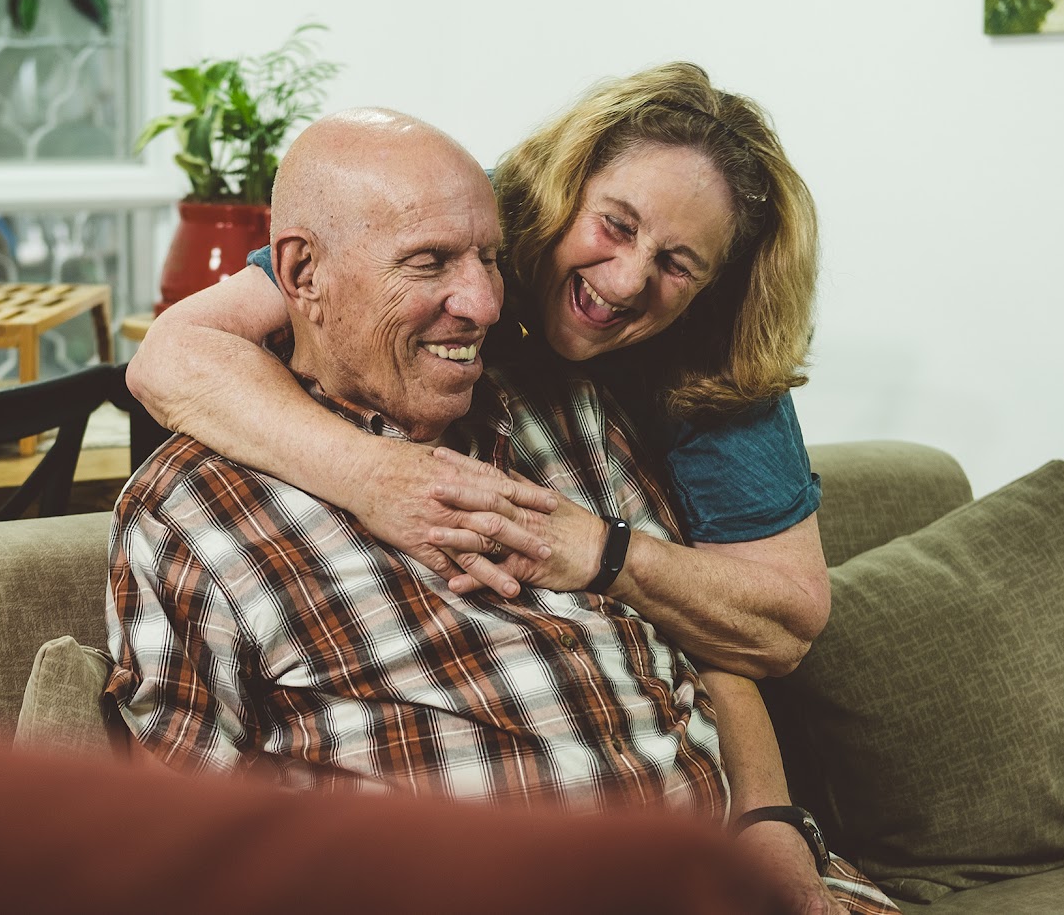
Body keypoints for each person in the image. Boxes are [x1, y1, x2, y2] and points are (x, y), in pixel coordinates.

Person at [109, 110, 896, 915]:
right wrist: (378, 475)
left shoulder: (571, 408)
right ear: (303, 276)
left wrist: (768, 825)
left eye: (489, 260)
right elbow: (180, 830)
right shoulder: (195, 511)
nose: (485, 303)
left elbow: (734, 638)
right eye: (432, 263)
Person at [126, 62, 829, 682]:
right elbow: (172, 353)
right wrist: (373, 476)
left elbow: (784, 626)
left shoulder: (716, 340)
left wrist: (601, 550)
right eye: (615, 224)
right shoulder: (472, 218)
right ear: (564, 187)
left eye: (678, 265)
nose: (625, 280)